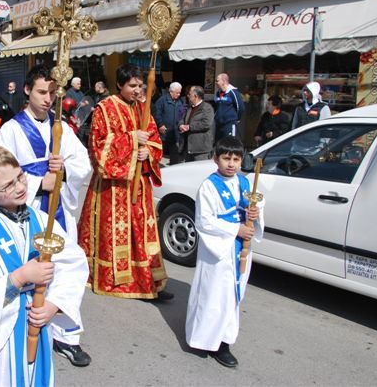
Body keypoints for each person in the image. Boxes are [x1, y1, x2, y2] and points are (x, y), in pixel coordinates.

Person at [0, 143, 88, 387]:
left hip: (38, 319)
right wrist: (19, 277)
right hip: (0, 339)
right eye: (8, 186)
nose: (21, 187)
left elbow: (72, 261)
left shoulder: (40, 219)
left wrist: (54, 305)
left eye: (20, 177)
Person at [0, 65, 92, 367]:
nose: (48, 98)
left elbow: (83, 165)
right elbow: (0, 172)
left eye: (52, 93)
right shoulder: (10, 130)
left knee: (65, 269)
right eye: (41, 92)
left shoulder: (61, 127)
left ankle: (66, 337)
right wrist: (39, 182)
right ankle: (26, 327)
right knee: (33, 271)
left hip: (59, 212)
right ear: (26, 90)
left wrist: (63, 171)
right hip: (29, 211)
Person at [78, 64, 172, 300]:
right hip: (113, 188)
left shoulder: (144, 108)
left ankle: (147, 281)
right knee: (116, 232)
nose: (137, 90)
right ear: (119, 85)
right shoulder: (104, 108)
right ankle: (114, 279)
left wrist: (147, 153)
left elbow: (156, 141)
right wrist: (131, 140)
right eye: (132, 85)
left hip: (139, 186)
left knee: (141, 231)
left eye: (140, 85)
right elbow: (97, 147)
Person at [185, 136, 264, 369]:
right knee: (212, 295)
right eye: (226, 158)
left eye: (236, 159)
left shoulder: (246, 183)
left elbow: (257, 206)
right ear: (215, 159)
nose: (231, 164)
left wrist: (254, 215)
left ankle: (223, 342)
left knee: (232, 296)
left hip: (240, 250)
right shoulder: (209, 186)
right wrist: (235, 229)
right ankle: (202, 338)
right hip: (218, 252)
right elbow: (204, 221)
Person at [179, 86, 215, 162]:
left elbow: (206, 124)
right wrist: (181, 125)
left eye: (189, 94)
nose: (188, 96)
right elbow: (182, 119)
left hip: (200, 150)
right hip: (188, 148)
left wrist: (189, 127)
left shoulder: (207, 108)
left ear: (195, 96)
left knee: (199, 172)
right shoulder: (190, 107)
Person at [153, 82, 186, 165]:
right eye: (177, 92)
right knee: (159, 150)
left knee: (174, 151)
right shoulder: (162, 100)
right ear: (171, 91)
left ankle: (173, 167)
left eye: (179, 92)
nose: (179, 94)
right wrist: (160, 124)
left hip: (175, 131)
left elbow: (183, 113)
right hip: (164, 131)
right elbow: (157, 113)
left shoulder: (180, 101)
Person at [214, 73, 245, 141]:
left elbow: (241, 107)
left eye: (217, 81)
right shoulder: (218, 93)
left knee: (229, 142)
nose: (215, 83)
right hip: (219, 124)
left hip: (229, 123)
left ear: (224, 81)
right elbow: (216, 107)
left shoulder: (233, 92)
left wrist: (236, 118)